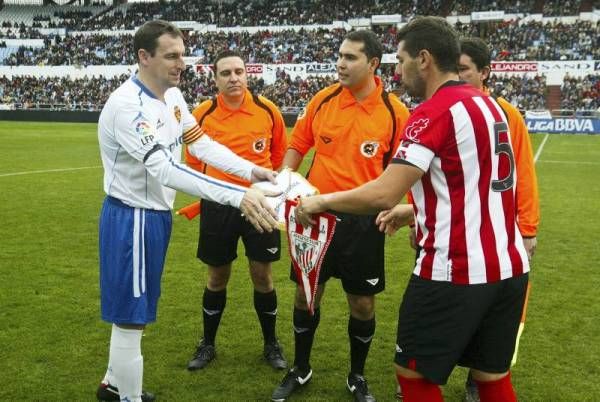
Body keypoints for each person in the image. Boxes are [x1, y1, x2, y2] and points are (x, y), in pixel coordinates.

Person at [295, 16, 530, 402]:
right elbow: (474, 186)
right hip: (508, 267)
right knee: (492, 379)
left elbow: (383, 194)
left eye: (401, 60)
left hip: (454, 269)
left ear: (423, 59)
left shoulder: (432, 112)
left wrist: (319, 201)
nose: (398, 71)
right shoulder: (491, 107)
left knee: (415, 376)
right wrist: (415, 212)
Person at [96, 20, 279, 402]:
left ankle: (114, 386)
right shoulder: (127, 106)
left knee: (134, 312)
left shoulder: (173, 97)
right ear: (144, 57)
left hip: (153, 216)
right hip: (132, 217)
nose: (181, 63)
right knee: (132, 317)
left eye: (182, 54)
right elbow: (165, 168)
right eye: (171, 55)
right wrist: (238, 194)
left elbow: (201, 145)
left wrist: (251, 170)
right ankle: (127, 397)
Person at [270, 30, 410, 402]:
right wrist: (285, 186)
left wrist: (406, 209)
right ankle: (300, 368)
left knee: (362, 303)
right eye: (340, 56)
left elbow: (409, 168)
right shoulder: (323, 100)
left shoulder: (395, 113)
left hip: (364, 222)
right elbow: (297, 146)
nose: (340, 64)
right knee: (305, 295)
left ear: (373, 64)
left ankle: (357, 376)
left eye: (350, 58)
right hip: (314, 215)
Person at [184, 50, 288, 372]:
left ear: (247, 74)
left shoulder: (268, 110)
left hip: (261, 203)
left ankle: (271, 344)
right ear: (214, 78)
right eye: (226, 73)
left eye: (239, 72)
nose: (234, 78)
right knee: (217, 275)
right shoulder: (202, 113)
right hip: (218, 205)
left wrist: (272, 191)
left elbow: (281, 154)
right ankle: (208, 344)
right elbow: (193, 161)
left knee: (263, 274)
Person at [457, 36, 540, 402]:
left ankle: (480, 378)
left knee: (490, 311)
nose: (457, 78)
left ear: (485, 73)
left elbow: (522, 171)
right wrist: (417, 220)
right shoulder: (443, 109)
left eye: (464, 70)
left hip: (498, 235)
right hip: (453, 232)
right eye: (453, 69)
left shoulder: (507, 115)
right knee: (451, 303)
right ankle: (427, 370)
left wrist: (529, 229)